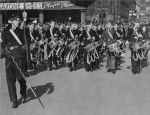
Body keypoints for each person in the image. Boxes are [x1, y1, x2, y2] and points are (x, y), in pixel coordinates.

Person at [0, 14, 27, 108]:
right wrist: (5, 51)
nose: (18, 21)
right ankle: (14, 100)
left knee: (21, 78)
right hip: (9, 59)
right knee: (10, 81)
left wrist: (23, 52)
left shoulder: (21, 31)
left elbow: (25, 44)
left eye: (18, 20)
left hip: (19, 58)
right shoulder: (5, 32)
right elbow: (2, 46)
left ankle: (23, 94)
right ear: (12, 21)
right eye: (16, 20)